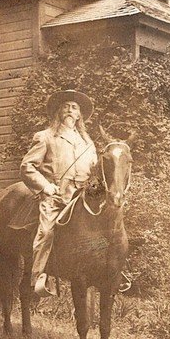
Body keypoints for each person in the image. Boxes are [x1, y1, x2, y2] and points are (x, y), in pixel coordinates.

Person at [20, 90, 97, 297]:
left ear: (80, 115)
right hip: (55, 197)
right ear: (58, 111)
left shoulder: (88, 144)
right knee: (46, 232)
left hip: (81, 200)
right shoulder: (45, 137)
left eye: (74, 107)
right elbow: (27, 166)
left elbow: (95, 173)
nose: (70, 110)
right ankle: (37, 279)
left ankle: (107, 273)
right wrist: (45, 186)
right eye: (66, 106)